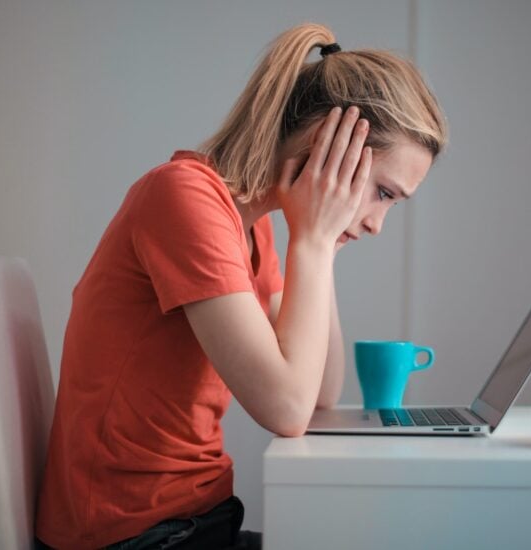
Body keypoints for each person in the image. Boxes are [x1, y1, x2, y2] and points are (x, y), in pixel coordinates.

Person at [35, 22, 448, 550]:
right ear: (329, 145)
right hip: (132, 534)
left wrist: (322, 241)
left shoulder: (252, 226)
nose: (376, 223)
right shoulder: (183, 199)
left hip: (195, 519)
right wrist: (314, 243)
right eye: (384, 193)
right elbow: (287, 409)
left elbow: (320, 391)